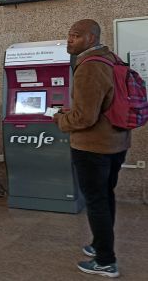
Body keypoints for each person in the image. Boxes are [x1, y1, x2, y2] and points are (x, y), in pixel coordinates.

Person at [53, 19, 130, 278]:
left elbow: (85, 118)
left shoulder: (89, 67)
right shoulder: (111, 59)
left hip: (92, 148)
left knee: (96, 202)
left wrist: (60, 119)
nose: (69, 40)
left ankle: (106, 261)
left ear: (91, 38)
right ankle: (99, 244)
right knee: (106, 196)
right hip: (116, 142)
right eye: (68, 34)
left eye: (75, 36)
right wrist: (72, 111)